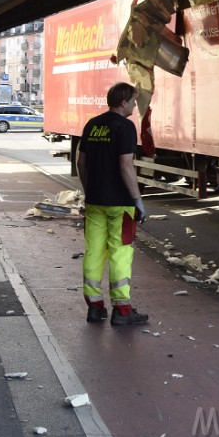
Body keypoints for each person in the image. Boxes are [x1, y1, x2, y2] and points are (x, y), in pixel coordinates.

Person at [76, 82, 149, 326]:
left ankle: (95, 308)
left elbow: (81, 163)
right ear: (124, 101)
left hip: (95, 202)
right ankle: (122, 311)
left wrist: (90, 191)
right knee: (120, 254)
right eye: (133, 101)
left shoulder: (92, 125)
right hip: (120, 205)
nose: (134, 106)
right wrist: (138, 201)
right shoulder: (126, 127)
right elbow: (126, 166)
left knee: (94, 252)